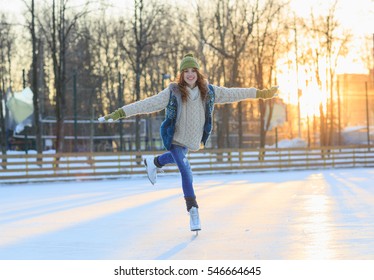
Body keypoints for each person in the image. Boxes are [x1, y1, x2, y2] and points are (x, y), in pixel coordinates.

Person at [98, 53, 278, 232]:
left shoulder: (209, 92)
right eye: (186, 71)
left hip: (190, 142)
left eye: (193, 71)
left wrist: (261, 93)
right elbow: (147, 104)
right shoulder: (173, 92)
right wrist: (119, 113)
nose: (190, 74)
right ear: (181, 74)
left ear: (198, 73)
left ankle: (154, 162)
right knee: (185, 169)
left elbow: (234, 93)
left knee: (178, 160)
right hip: (175, 139)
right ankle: (193, 209)